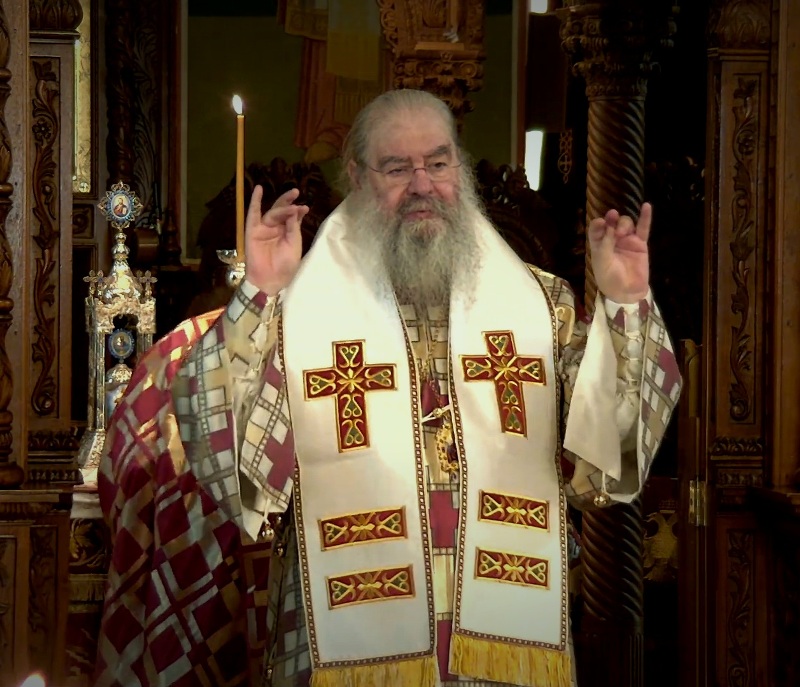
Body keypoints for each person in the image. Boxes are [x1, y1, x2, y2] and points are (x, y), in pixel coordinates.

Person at [94, 89, 682, 687]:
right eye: (397, 168)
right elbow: (239, 470)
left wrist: (625, 305)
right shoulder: (303, 311)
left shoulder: (540, 305)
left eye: (438, 162)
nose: (422, 185)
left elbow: (605, 464)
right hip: (342, 642)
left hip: (504, 648)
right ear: (357, 177)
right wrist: (260, 296)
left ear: (459, 168)